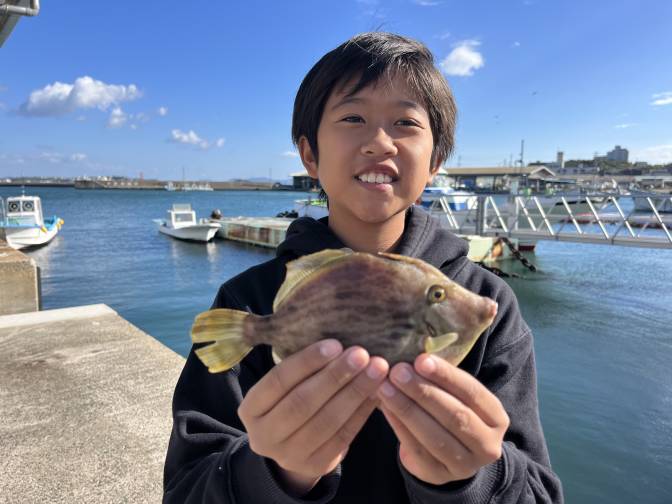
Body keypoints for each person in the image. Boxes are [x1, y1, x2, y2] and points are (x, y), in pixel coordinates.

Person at [163, 32, 563, 503]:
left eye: (405, 122)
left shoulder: (492, 304)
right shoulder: (248, 301)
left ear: (435, 160)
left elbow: (540, 492)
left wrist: (475, 479)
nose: (379, 143)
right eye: (353, 118)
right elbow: (185, 489)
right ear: (309, 154)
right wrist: (272, 474)